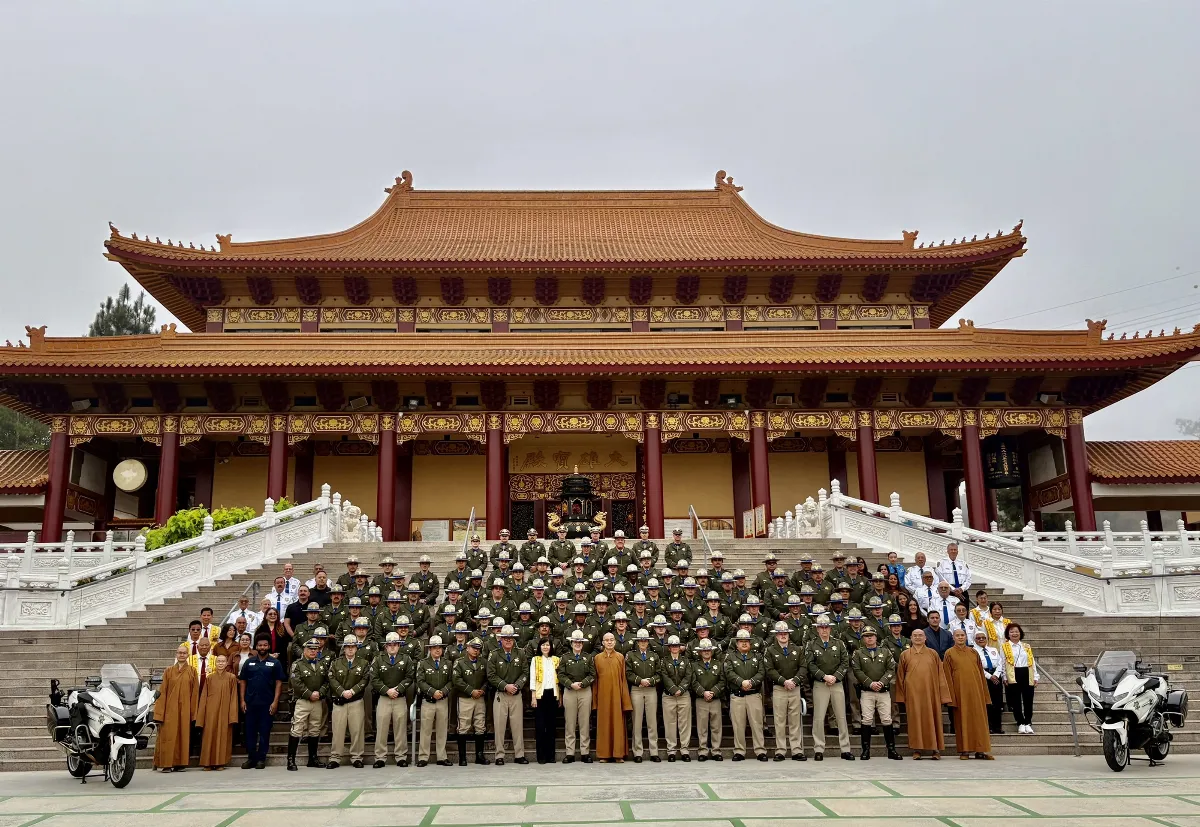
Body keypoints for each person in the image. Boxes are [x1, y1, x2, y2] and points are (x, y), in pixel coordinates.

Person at [896, 628, 951, 759]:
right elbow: (900, 677)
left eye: (920, 635)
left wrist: (943, 695)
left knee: (934, 720)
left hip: (931, 693)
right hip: (913, 694)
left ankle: (935, 750)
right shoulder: (905, 654)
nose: (918, 637)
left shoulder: (933, 654)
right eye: (915, 635)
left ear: (925, 638)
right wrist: (901, 696)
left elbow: (941, 675)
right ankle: (917, 749)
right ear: (911, 638)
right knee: (915, 721)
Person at [805, 614, 853, 761]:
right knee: (819, 717)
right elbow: (810, 664)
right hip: (821, 684)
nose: (824, 630)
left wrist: (836, 676)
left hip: (836, 683)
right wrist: (824, 676)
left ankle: (845, 749)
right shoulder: (811, 644)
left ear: (830, 628)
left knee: (841, 716)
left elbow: (845, 662)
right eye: (821, 627)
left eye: (826, 627)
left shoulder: (839, 643)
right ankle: (819, 748)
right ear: (817, 629)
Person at [851, 627, 901, 760]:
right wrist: (870, 683)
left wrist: (882, 682)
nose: (869, 638)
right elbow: (857, 670)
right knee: (866, 719)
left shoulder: (885, 652)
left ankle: (891, 749)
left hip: (883, 691)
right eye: (866, 636)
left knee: (886, 719)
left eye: (871, 635)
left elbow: (891, 669)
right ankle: (865, 750)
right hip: (867, 691)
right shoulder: (858, 653)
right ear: (863, 638)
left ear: (876, 637)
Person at [944, 629, 994, 759]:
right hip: (960, 692)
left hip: (976, 692)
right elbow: (947, 676)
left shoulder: (973, 652)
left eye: (962, 635)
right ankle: (964, 750)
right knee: (962, 720)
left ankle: (981, 750)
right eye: (957, 635)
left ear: (966, 637)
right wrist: (950, 697)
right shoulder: (949, 653)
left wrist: (984, 694)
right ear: (953, 638)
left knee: (979, 721)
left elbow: (981, 674)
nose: (960, 637)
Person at [237, 638, 284, 769]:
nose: (262, 647)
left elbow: (279, 683)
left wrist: (275, 702)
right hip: (250, 703)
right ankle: (251, 758)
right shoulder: (249, 662)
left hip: (267, 703)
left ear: (269, 646)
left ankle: (261, 759)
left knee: (264, 732)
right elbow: (243, 681)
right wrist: (242, 700)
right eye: (260, 645)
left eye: (265, 645)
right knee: (249, 732)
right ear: (256, 646)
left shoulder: (275, 663)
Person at [372, 631, 415, 768]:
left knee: (400, 728)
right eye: (389, 645)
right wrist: (386, 690)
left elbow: (409, 676)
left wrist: (398, 689)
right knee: (382, 728)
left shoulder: (406, 658)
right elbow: (374, 678)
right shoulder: (378, 659)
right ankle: (380, 757)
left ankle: (401, 756)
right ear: (385, 646)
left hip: (399, 697)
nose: (392, 647)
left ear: (399, 645)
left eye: (395, 644)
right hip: (384, 697)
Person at [764, 622, 806, 761]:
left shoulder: (798, 649)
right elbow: (770, 670)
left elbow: (803, 667)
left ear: (789, 634)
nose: (783, 635)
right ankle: (780, 750)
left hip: (795, 687)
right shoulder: (770, 650)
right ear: (776, 635)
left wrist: (794, 681)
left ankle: (796, 750)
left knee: (795, 721)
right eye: (780, 633)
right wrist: (784, 681)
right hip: (779, 688)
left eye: (785, 633)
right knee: (779, 720)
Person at [489, 624, 529, 765]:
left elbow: (525, 672)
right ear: (500, 639)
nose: (508, 640)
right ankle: (499, 755)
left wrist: (517, 685)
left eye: (510, 638)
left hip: (516, 694)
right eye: (505, 638)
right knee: (499, 727)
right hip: (501, 694)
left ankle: (520, 754)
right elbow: (491, 675)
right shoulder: (494, 654)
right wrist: (505, 686)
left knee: (517, 726)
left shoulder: (521, 653)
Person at [724, 628, 767, 762]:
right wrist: (741, 682)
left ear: (750, 643)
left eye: (746, 641)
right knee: (738, 724)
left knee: (757, 724)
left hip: (754, 694)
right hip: (737, 695)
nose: (744, 644)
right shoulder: (730, 656)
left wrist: (752, 682)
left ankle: (760, 750)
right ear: (736, 644)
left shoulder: (757, 656)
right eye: (741, 641)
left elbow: (761, 672)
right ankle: (739, 751)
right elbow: (728, 673)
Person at [153, 645, 197, 772]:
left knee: (183, 736)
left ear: (188, 655)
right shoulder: (169, 671)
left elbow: (195, 693)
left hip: (185, 709)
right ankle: (166, 764)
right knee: (168, 736)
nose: (182, 655)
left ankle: (180, 763)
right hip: (169, 709)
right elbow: (163, 692)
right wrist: (159, 713)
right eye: (179, 653)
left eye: (184, 653)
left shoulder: (192, 671)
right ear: (176, 655)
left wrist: (193, 713)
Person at [289, 638, 329, 770]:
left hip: (317, 701)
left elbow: (326, 681)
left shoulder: (321, 664)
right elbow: (296, 683)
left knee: (314, 728)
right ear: (305, 650)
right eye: (310, 649)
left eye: (315, 649)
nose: (313, 651)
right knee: (297, 728)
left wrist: (320, 693)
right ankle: (291, 760)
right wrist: (309, 694)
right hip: (303, 701)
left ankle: (313, 758)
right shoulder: (298, 664)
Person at [593, 632, 633, 762]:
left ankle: (618, 754)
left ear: (615, 642)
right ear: (603, 643)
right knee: (603, 725)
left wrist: (625, 701)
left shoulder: (620, 657)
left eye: (611, 640)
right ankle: (604, 755)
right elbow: (595, 681)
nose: (609, 642)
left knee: (618, 725)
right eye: (607, 640)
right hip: (603, 697)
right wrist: (595, 701)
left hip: (617, 697)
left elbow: (623, 679)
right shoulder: (597, 658)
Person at [452, 636, 491, 765]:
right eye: (473, 648)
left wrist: (482, 690)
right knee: (463, 726)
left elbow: (488, 678)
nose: (476, 651)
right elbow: (456, 680)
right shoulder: (460, 662)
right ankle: (462, 758)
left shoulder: (484, 662)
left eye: (478, 649)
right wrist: (471, 690)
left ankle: (479, 756)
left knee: (480, 726)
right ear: (467, 648)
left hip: (480, 698)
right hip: (465, 698)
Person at [196, 654, 239, 770]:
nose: (220, 663)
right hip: (210, 711)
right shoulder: (210, 678)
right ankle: (207, 762)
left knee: (223, 736)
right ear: (215, 663)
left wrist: (233, 714)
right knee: (208, 735)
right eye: (218, 661)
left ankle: (220, 762)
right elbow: (204, 696)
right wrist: (201, 714)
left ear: (226, 664)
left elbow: (234, 696)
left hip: (225, 710)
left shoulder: (231, 677)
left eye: (223, 661)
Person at [559, 629, 596, 763]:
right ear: (571, 642)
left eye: (580, 642)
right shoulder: (565, 657)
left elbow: (593, 675)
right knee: (570, 722)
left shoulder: (588, 657)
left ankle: (585, 752)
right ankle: (570, 752)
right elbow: (561, 675)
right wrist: (570, 684)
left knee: (584, 722)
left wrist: (583, 683)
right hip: (569, 691)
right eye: (575, 642)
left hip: (584, 691)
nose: (578, 644)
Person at [626, 629, 661, 762]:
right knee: (637, 721)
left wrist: (650, 681)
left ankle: (654, 751)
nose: (643, 643)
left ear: (648, 642)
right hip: (637, 689)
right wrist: (640, 680)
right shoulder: (631, 655)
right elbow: (628, 673)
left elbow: (659, 673)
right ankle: (637, 752)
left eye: (645, 640)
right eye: (640, 640)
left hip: (651, 690)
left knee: (652, 721)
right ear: (637, 642)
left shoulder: (654, 655)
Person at [417, 635, 453, 767]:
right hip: (428, 701)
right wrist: (433, 692)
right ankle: (423, 757)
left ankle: (441, 756)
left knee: (442, 729)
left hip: (442, 700)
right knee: (425, 729)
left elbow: (451, 681)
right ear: (430, 649)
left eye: (440, 648)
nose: (437, 650)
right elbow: (420, 681)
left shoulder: (448, 663)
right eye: (434, 648)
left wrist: (442, 691)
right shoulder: (423, 663)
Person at [690, 637, 724, 761]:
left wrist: (713, 692)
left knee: (716, 726)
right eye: (704, 650)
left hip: (715, 699)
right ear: (700, 652)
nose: (706, 652)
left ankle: (716, 751)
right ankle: (702, 751)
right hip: (701, 699)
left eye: (708, 650)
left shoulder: (718, 664)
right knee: (702, 727)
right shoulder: (694, 665)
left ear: (712, 651)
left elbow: (722, 681)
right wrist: (703, 692)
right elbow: (693, 682)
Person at [1002, 622, 1039, 734]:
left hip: (1027, 672)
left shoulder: (1026, 646)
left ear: (1020, 633)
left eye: (1016, 631)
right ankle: (1020, 722)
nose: (1014, 633)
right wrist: (1004, 676)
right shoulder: (1004, 646)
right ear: (1008, 634)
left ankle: (1028, 722)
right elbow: (1003, 662)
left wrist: (1036, 676)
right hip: (1013, 673)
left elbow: (1032, 661)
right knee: (1016, 700)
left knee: (1028, 699)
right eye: (1012, 631)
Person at [661, 635, 693, 761]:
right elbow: (664, 676)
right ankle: (671, 751)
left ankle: (685, 750)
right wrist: (674, 689)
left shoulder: (686, 661)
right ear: (669, 648)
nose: (674, 648)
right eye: (672, 646)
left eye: (676, 646)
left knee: (684, 723)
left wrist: (681, 689)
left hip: (683, 695)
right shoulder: (664, 661)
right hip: (669, 696)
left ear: (680, 648)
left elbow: (688, 676)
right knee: (670, 723)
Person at [529, 637, 561, 764]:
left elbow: (559, 680)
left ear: (551, 647)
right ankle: (541, 756)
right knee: (541, 727)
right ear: (539, 647)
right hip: (540, 695)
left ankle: (551, 756)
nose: (545, 647)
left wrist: (560, 697)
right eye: (543, 645)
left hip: (553, 694)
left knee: (551, 726)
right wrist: (533, 697)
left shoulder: (556, 660)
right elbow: (532, 678)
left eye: (547, 645)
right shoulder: (535, 660)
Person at [973, 630, 1006, 734]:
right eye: (978, 638)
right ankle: (989, 726)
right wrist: (989, 676)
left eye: (983, 638)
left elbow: (1000, 663)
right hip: (983, 678)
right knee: (986, 703)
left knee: (997, 702)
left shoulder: (993, 650)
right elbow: (976, 666)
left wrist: (996, 675)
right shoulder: (973, 651)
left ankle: (998, 727)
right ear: (975, 640)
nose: (981, 639)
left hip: (996, 677)